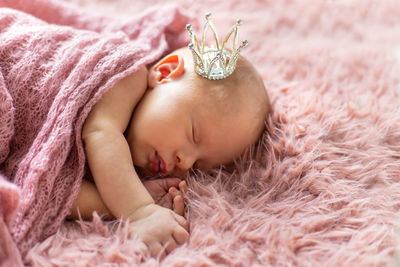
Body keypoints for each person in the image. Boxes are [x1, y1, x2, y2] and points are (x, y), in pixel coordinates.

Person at [67, 39, 270, 257]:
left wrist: (128, 194)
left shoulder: (117, 164)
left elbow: (57, 193)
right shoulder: (128, 77)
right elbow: (101, 133)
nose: (187, 161)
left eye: (199, 164)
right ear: (165, 73)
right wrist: (139, 211)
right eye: (194, 134)